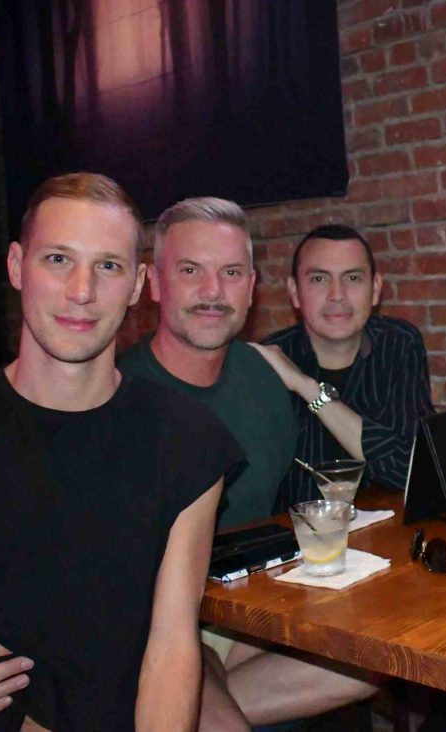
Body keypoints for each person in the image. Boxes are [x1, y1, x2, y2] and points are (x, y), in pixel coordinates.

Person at [0, 173, 240, 730]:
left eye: (108, 266)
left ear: (137, 285)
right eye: (58, 259)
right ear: (16, 266)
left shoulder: (187, 441)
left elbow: (171, 649)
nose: (81, 291)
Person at [117, 199, 379, 730]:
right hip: (151, 628)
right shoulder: (116, 395)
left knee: (391, 657)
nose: (214, 291)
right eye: (191, 271)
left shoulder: (265, 381)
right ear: (155, 283)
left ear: (252, 286)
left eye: (231, 273)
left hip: (244, 617)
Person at [261, 224, 435, 508]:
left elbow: (414, 471)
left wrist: (308, 389)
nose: (337, 294)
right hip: (299, 533)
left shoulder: (398, 344)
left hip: (385, 529)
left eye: (352, 278)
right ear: (294, 292)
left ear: (375, 289)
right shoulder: (268, 362)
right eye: (319, 279)